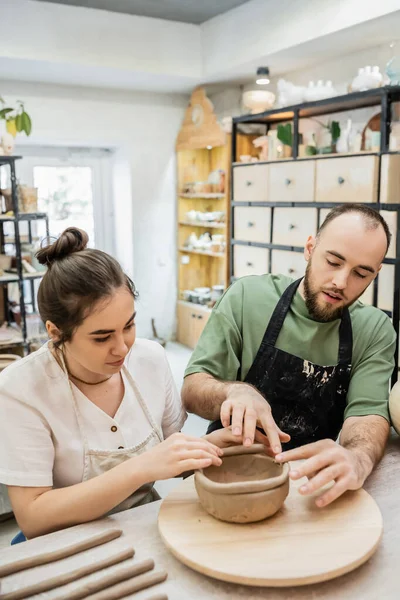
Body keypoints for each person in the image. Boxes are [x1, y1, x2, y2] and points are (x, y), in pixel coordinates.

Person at [0, 228, 245, 539]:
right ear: (55, 331)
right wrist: (141, 468)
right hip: (65, 540)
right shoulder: (20, 389)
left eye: (128, 326)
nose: (122, 347)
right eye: (102, 337)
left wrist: (215, 445)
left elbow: (172, 456)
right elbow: (34, 517)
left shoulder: (150, 359)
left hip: (144, 522)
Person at [182, 204, 396, 508]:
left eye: (361, 274)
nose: (341, 282)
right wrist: (233, 391)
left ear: (376, 273)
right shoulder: (247, 297)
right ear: (310, 247)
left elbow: (366, 414)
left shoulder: (374, 330)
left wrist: (358, 457)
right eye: (333, 261)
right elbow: (192, 390)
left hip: (308, 485)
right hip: (226, 470)